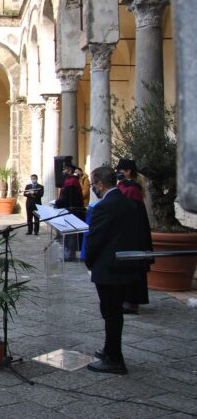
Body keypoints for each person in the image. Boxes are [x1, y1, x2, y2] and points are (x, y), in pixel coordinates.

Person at [85, 166, 150, 375]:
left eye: (93, 184)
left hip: (108, 268)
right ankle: (109, 349)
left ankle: (114, 359)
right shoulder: (129, 203)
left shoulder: (104, 206)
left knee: (110, 313)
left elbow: (95, 239)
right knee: (114, 313)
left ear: (100, 184)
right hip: (125, 266)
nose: (93, 188)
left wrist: (89, 262)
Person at [114, 158, 152, 314]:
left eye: (120, 170)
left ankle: (132, 302)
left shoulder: (132, 190)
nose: (118, 173)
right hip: (124, 233)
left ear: (128, 171)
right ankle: (124, 299)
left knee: (133, 268)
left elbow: (130, 214)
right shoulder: (124, 187)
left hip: (133, 235)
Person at [55, 162, 86, 261]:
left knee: (70, 234)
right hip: (69, 210)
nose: (63, 171)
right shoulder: (69, 181)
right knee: (69, 234)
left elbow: (67, 197)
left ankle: (69, 255)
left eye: (64, 169)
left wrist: (58, 202)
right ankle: (68, 254)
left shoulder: (71, 182)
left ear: (69, 170)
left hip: (71, 211)